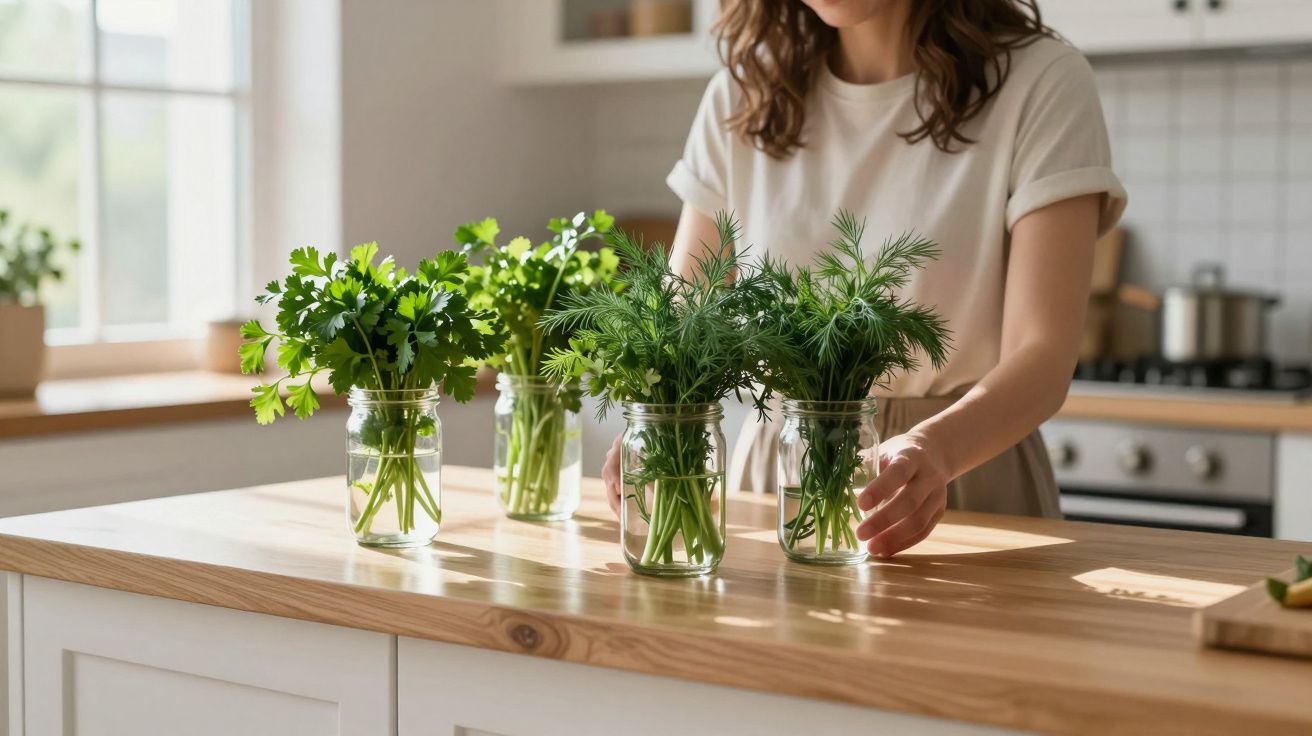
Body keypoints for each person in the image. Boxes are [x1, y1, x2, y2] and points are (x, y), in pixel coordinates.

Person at [601, 0, 1126, 558]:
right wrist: (656, 417)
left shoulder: (1040, 82)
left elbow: (1044, 353)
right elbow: (683, 317)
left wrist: (936, 448)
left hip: (960, 474)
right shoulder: (742, 95)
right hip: (779, 474)